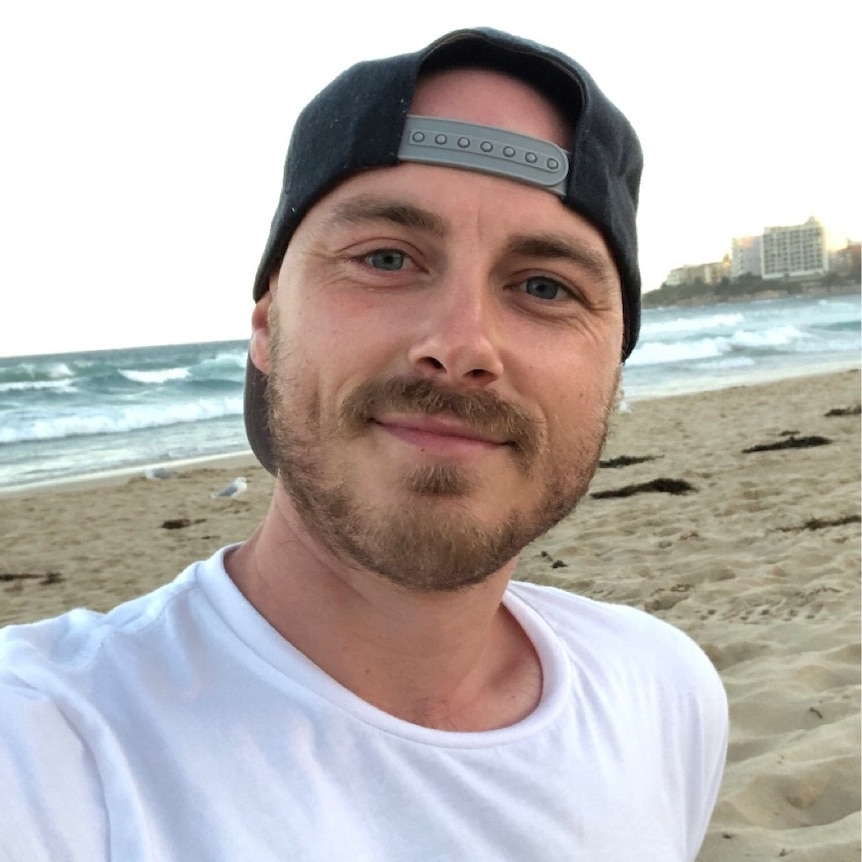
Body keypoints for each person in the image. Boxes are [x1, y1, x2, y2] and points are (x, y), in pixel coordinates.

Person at [0, 27, 727, 861]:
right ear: (269, 325)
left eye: (543, 286)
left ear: (612, 368)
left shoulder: (665, 694)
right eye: (386, 257)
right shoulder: (49, 746)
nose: (461, 345)